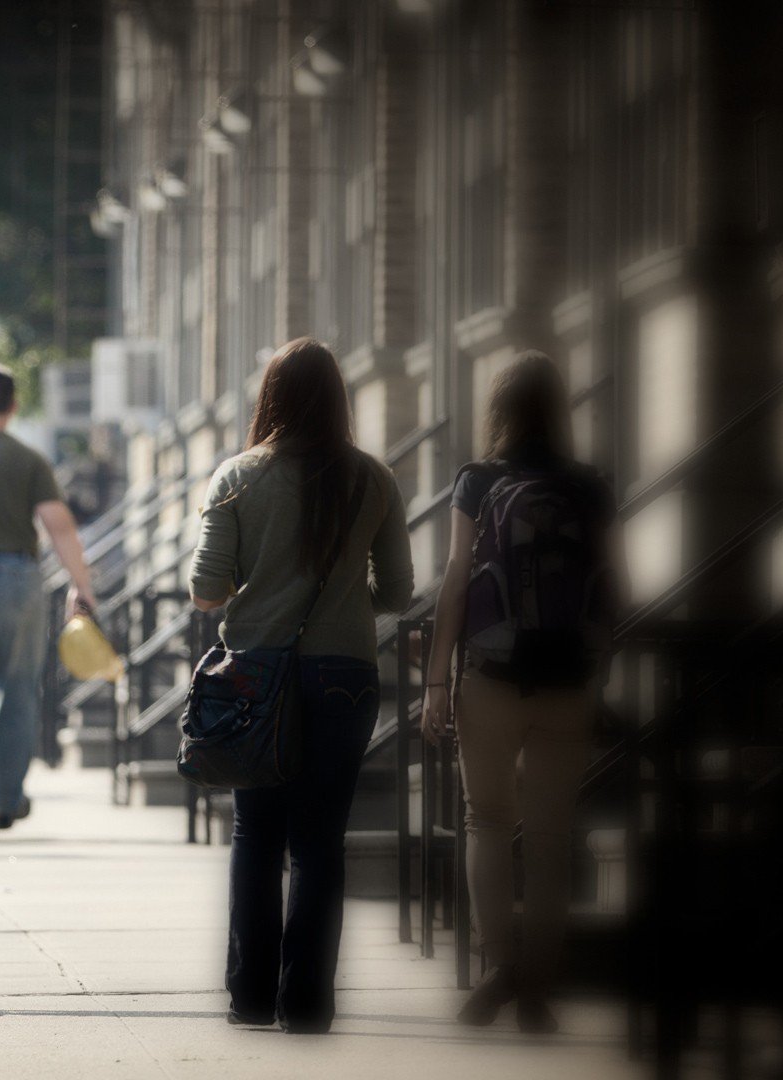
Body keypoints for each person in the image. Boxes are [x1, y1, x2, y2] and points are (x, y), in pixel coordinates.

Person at [187, 337, 414, 1034]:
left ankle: (251, 997)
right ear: (340, 397)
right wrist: (345, 604)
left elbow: (205, 589)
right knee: (320, 841)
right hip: (345, 674)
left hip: (257, 673)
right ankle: (308, 1002)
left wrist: (263, 597)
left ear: (271, 397)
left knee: (257, 833)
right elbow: (399, 590)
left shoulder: (238, 476)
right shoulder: (373, 478)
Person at [421, 351, 622, 1034]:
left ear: (498, 411)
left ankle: (498, 967)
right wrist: (603, 664)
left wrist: (435, 681)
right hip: (568, 678)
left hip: (491, 676)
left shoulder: (478, 481)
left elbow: (454, 580)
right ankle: (538, 985)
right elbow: (613, 583)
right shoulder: (591, 486)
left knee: (486, 822)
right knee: (549, 835)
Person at [0, 365, 97, 839]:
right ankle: (10, 797)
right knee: (20, 691)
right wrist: (83, 588)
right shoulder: (29, 459)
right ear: (12, 405)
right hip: (21, 580)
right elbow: (59, 525)